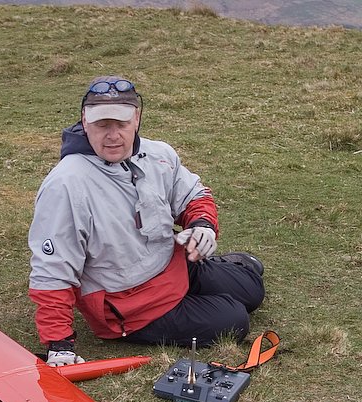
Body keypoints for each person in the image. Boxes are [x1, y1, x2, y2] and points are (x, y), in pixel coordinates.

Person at [28, 76, 265, 366]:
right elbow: (52, 271)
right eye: (102, 125)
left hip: (173, 265)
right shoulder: (65, 185)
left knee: (253, 289)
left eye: (121, 124)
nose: (112, 135)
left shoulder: (158, 154)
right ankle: (226, 274)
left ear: (137, 119)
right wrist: (59, 342)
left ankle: (230, 269)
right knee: (235, 319)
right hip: (131, 303)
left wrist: (203, 225)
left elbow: (193, 194)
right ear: (85, 121)